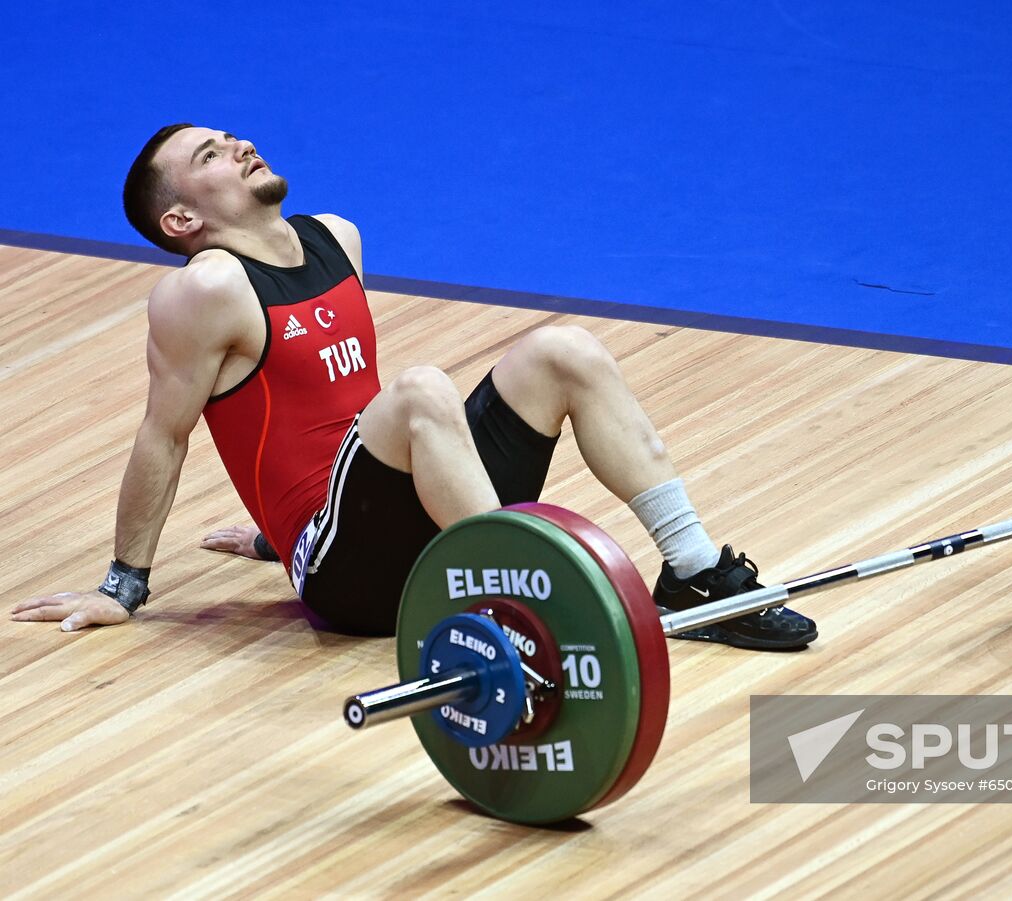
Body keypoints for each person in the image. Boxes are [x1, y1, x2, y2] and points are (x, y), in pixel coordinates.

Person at [11, 124, 816, 651]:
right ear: (181, 220)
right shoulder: (205, 287)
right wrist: (125, 585)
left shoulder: (336, 238)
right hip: (343, 579)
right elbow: (166, 433)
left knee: (562, 348)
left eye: (229, 135)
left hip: (398, 520)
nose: (240, 143)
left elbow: (319, 405)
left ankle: (694, 569)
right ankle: (529, 606)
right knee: (422, 388)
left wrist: (264, 527)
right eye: (211, 155)